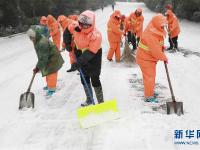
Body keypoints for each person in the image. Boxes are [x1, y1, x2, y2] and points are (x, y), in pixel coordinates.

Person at [65, 10, 104, 106]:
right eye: (82, 24)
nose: (83, 27)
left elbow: (91, 52)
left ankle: (101, 102)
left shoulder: (96, 35)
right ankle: (89, 99)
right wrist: (67, 42)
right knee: (84, 78)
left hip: (94, 56)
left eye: (86, 25)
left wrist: (78, 63)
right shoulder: (75, 26)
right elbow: (67, 30)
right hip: (79, 52)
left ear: (92, 23)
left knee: (94, 78)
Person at [136, 14, 168, 103]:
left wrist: (161, 47)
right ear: (157, 23)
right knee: (149, 77)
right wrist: (164, 57)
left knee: (150, 77)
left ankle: (150, 91)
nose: (163, 26)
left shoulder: (155, 28)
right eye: (162, 25)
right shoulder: (151, 34)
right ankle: (149, 96)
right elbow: (155, 52)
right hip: (145, 59)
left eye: (164, 25)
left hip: (148, 58)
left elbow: (157, 44)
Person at [27, 26, 64, 96]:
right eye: (30, 37)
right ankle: (49, 85)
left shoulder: (42, 42)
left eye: (32, 37)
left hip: (53, 59)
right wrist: (39, 66)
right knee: (47, 71)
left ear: (36, 35)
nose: (30, 39)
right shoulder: (37, 40)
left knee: (51, 73)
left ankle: (52, 89)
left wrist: (38, 67)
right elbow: (42, 56)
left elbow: (44, 58)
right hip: (48, 58)